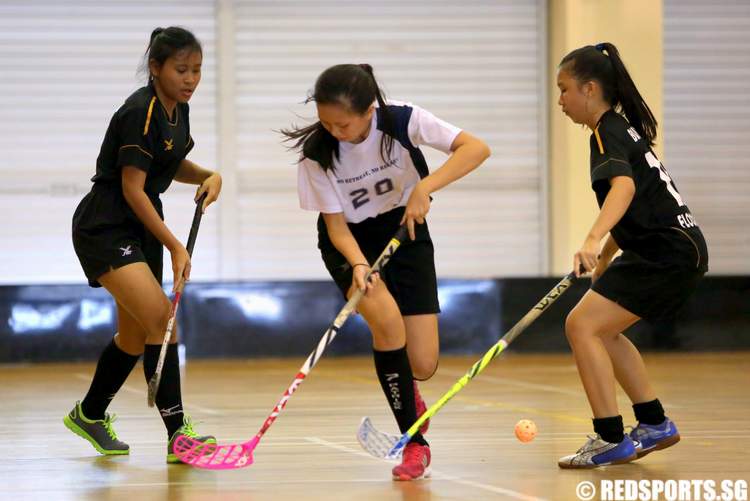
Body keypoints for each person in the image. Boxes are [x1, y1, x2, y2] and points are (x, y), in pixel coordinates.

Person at [283, 63, 490, 480]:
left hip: (405, 226)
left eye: (342, 123)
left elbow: (475, 148)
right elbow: (335, 226)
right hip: (348, 242)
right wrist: (358, 263)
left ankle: (410, 396)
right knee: (386, 321)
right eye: (326, 122)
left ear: (369, 110)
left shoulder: (400, 119)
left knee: (423, 362)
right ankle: (414, 443)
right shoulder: (317, 154)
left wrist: (425, 187)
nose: (334, 131)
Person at [64, 26, 221, 464]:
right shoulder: (140, 112)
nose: (190, 79)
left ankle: (89, 414)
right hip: (108, 224)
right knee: (160, 318)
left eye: (197, 70)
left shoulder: (178, 110)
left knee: (135, 337)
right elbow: (133, 188)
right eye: (181, 69)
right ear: (156, 69)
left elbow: (169, 164)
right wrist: (174, 245)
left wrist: (210, 174)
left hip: (141, 226)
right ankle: (179, 436)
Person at [555, 43, 708, 468]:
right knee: (602, 330)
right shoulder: (621, 129)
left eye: (564, 89)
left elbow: (623, 189)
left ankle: (608, 437)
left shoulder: (608, 131)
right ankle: (654, 423)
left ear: (589, 89)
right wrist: (605, 255)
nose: (560, 101)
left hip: (666, 252)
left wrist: (590, 239)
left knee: (581, 325)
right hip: (677, 249)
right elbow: (640, 200)